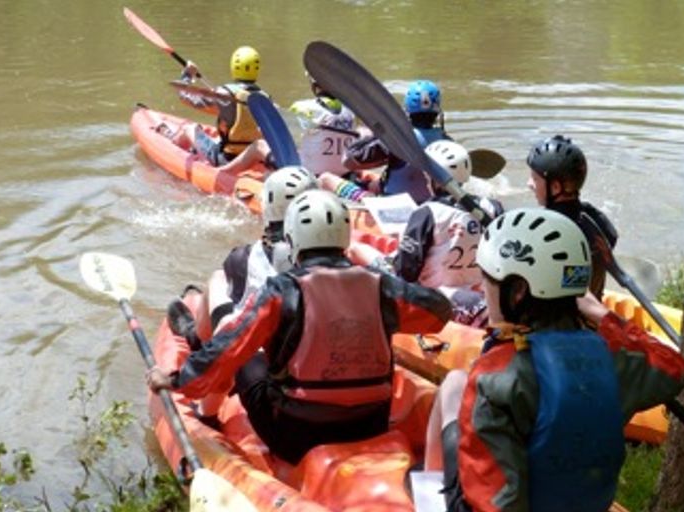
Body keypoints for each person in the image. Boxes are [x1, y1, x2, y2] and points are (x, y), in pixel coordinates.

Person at [148, 189, 453, 464]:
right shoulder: (382, 287)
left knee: (242, 347)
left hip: (295, 436)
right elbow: (440, 312)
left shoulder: (281, 290)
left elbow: (228, 347)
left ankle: (208, 416)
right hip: (369, 424)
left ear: (292, 241)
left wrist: (175, 380)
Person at [423, 207, 684, 512]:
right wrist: (602, 315)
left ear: (518, 292)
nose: (483, 289)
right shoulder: (615, 358)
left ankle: (429, 493)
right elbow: (675, 367)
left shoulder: (495, 373)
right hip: (583, 502)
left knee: (455, 383)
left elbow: (495, 498)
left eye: (487, 280)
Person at [165, 166, 316, 427]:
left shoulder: (246, 257)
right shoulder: (357, 274)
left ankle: (207, 408)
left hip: (280, 388)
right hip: (335, 380)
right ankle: (198, 338)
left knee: (222, 296)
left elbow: (236, 332)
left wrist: (178, 380)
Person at [392, 140, 504, 326]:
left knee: (371, 260)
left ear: (434, 178)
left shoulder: (427, 213)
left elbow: (407, 271)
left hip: (440, 299)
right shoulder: (493, 207)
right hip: (482, 295)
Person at [527, 134, 618, 299]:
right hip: (589, 313)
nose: (529, 184)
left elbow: (574, 296)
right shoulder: (594, 217)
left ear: (555, 187)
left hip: (561, 320)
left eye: (534, 178)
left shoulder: (549, 230)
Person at [340, 79, 449, 204]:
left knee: (326, 178)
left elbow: (348, 161)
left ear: (407, 109)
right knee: (370, 177)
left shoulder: (397, 139)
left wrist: (378, 134)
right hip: (429, 202)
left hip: (396, 203)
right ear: (437, 112)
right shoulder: (447, 142)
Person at [167, 46, 271, 174]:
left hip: (226, 159)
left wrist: (187, 74)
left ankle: (168, 148)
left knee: (189, 128)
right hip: (253, 159)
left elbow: (184, 96)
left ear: (234, 67)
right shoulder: (266, 98)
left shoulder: (224, 94)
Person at [288, 73, 361, 177]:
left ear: (314, 85)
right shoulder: (352, 110)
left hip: (314, 176)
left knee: (260, 145)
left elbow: (286, 136)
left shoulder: (302, 107)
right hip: (346, 174)